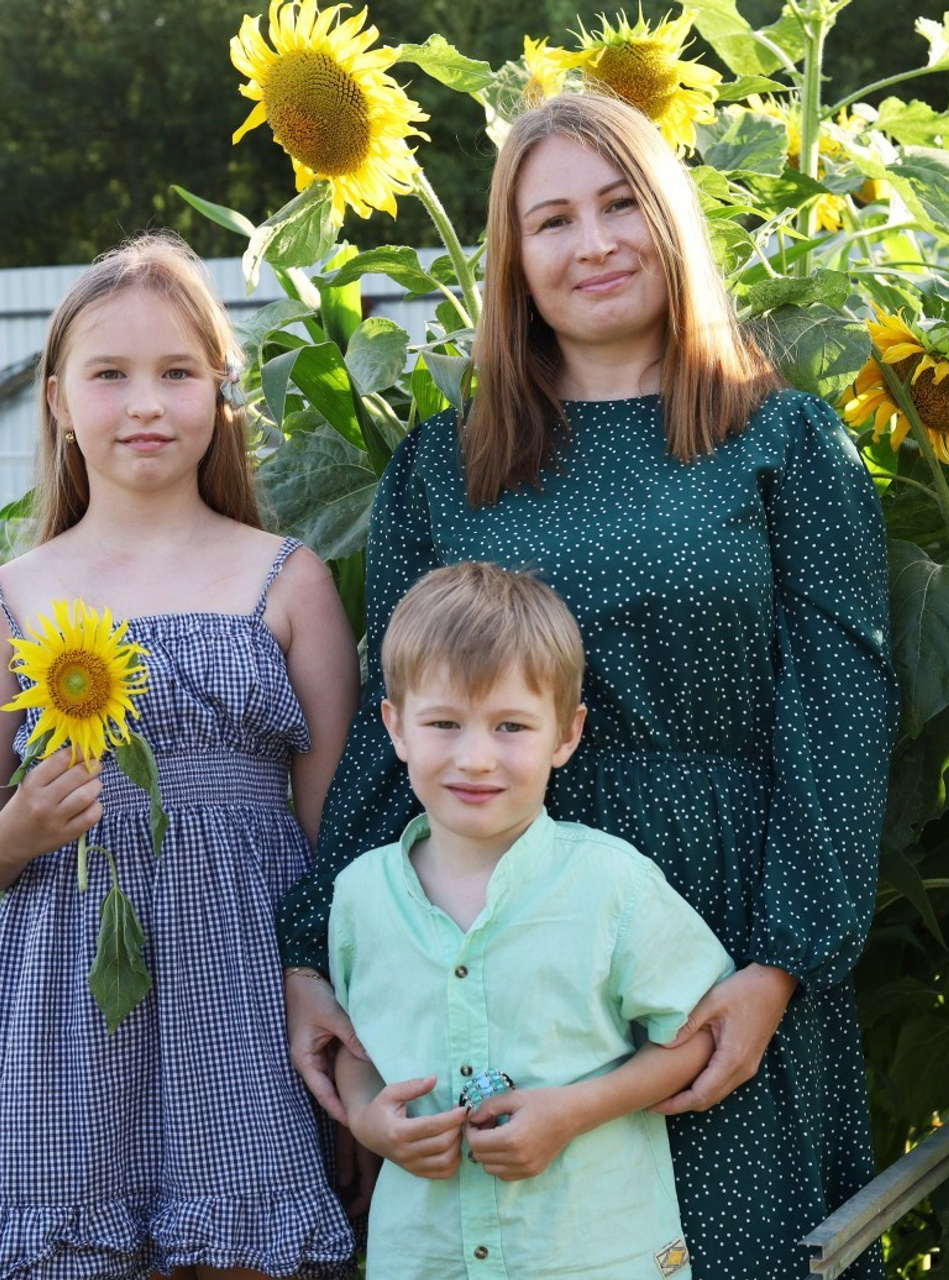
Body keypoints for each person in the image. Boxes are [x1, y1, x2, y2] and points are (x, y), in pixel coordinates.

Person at [280, 92, 898, 1279]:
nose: (595, 243)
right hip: (495, 922)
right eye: (552, 219)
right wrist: (310, 954)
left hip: (718, 922)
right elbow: (387, 727)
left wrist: (781, 961)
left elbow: (839, 712)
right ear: (513, 258)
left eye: (621, 205)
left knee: (729, 1247)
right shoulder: (445, 465)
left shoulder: (784, 443)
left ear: (670, 220)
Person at [0, 231, 360, 1279]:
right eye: (109, 375)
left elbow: (339, 836)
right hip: (66, 996)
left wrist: (340, 1000)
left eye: (177, 373)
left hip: (248, 987)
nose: (145, 404)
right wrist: (18, 831)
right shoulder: (16, 595)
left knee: (243, 1253)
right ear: (60, 400)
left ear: (220, 392)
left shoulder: (287, 579)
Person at [329, 561, 735, 1278]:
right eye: (444, 723)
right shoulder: (362, 895)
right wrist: (368, 1120)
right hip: (427, 1255)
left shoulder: (613, 885)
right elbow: (359, 1044)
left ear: (565, 735)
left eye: (511, 726)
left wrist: (574, 1111)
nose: (475, 758)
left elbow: (696, 1033)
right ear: (396, 727)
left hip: (590, 1253)